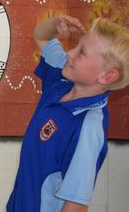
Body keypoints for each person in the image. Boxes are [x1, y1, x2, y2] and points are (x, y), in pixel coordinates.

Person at [7, 15, 129, 211]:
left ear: (106, 76)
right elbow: (41, 37)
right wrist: (53, 24)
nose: (70, 53)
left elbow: (76, 205)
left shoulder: (88, 127)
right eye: (76, 46)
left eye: (81, 52)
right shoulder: (62, 78)